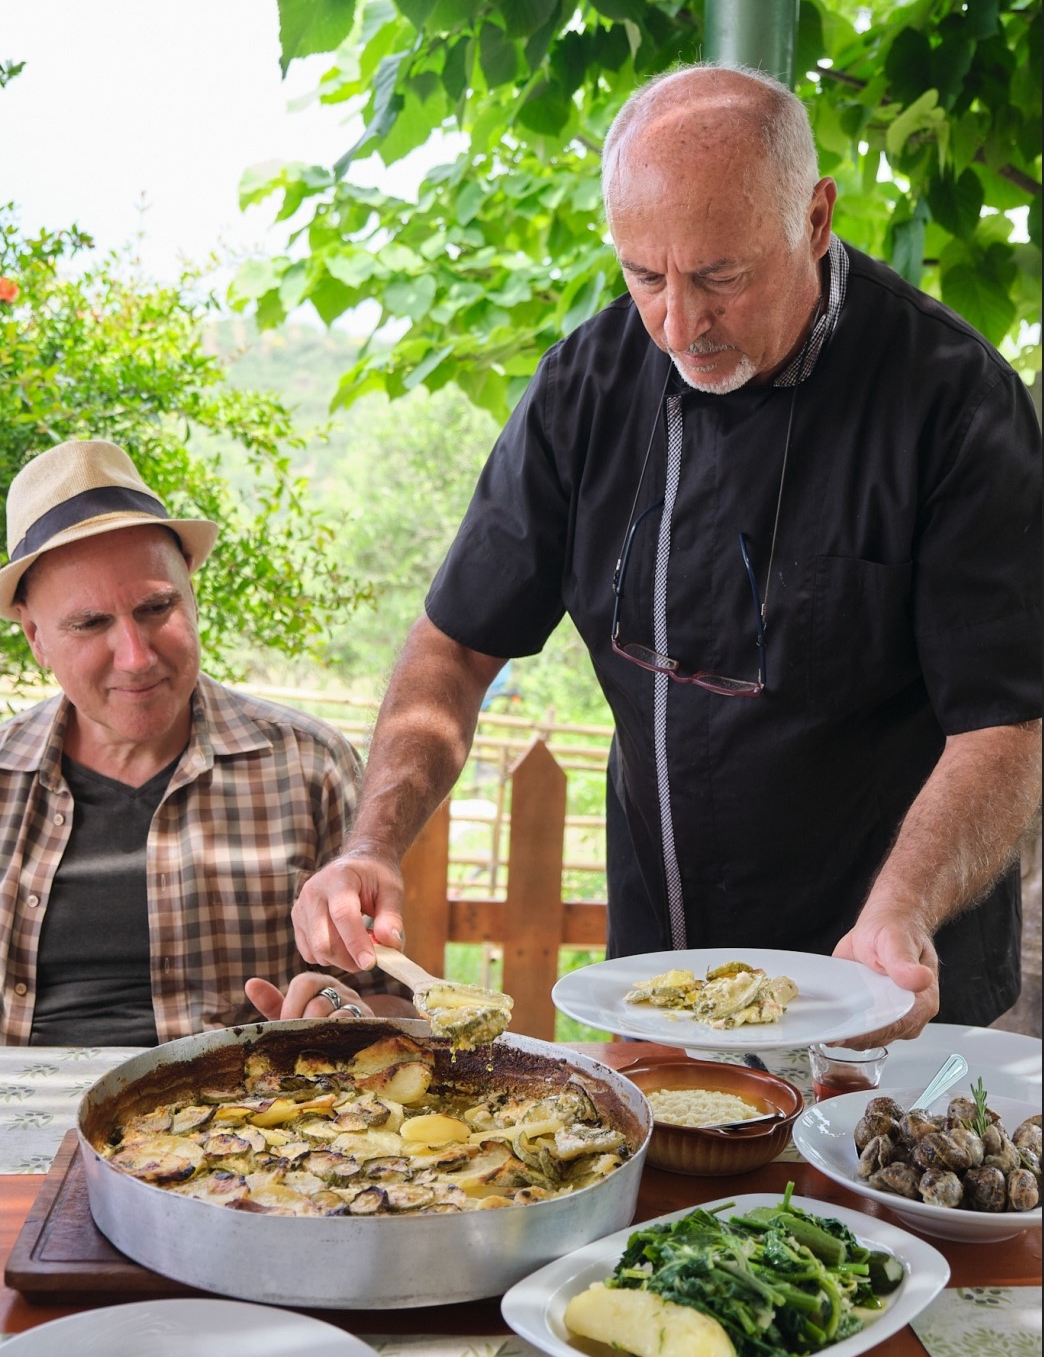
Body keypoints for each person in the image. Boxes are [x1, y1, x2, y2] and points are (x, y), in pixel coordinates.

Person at [290, 64, 1041, 1043]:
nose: (680, 325)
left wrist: (899, 913)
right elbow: (455, 651)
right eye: (646, 276)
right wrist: (373, 844)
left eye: (721, 277)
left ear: (816, 221)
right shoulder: (585, 387)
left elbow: (1005, 728)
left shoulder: (953, 401)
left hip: (892, 984)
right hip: (664, 982)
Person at [0, 438, 413, 1045]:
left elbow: (397, 1002)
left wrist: (347, 1016)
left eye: (156, 606)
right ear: (36, 638)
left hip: (238, 1124)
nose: (137, 657)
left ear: (190, 594)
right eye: (90, 623)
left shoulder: (310, 766)